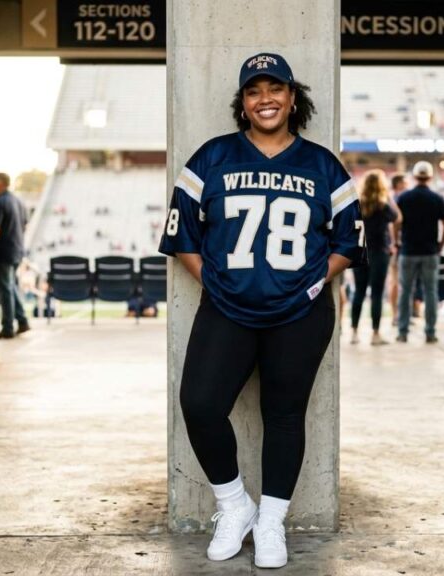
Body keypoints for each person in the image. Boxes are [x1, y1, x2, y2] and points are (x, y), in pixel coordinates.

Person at [158, 53, 363, 569]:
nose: (265, 99)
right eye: (254, 91)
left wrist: (319, 280)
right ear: (243, 103)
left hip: (300, 313)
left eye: (276, 89)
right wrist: (215, 281)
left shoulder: (322, 165)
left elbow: (349, 239)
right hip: (227, 309)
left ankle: (271, 522)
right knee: (201, 405)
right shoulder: (212, 158)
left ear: (294, 98)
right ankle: (235, 507)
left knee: (285, 414)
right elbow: (181, 233)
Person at [393, 161, 444, 344]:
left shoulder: (404, 197)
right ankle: (430, 332)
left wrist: (397, 241)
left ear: (415, 177)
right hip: (430, 251)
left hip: (408, 251)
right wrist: (440, 244)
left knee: (405, 292)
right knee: (431, 293)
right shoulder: (437, 198)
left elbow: (396, 223)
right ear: (430, 177)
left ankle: (402, 332)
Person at [349, 169, 400, 346]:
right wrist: (387, 195)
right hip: (380, 251)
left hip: (360, 251)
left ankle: (354, 333)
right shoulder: (383, 205)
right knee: (377, 293)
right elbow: (398, 217)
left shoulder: (358, 204)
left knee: (359, 292)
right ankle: (375, 334)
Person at [0, 172, 30, 339]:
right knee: (10, 286)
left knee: (5, 288)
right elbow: (25, 224)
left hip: (3, 251)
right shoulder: (19, 201)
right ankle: (22, 320)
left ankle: (7, 327)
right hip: (17, 249)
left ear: (0, 182)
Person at [387, 173, 407, 324]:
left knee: (399, 281)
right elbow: (394, 223)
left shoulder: (393, 198)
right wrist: (395, 241)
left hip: (397, 244)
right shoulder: (397, 199)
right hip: (398, 245)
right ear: (399, 184)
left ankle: (399, 314)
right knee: (396, 281)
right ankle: (396, 315)